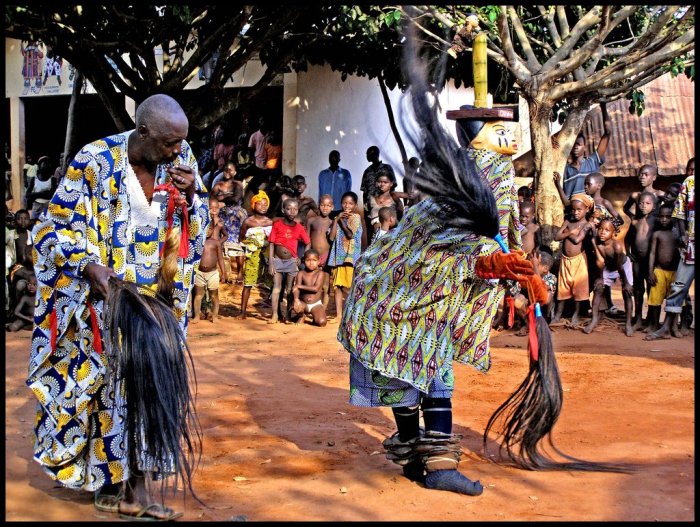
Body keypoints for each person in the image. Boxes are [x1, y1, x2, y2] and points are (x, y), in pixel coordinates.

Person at [338, 30, 554, 496]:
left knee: (405, 365)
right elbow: (469, 247)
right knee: (430, 369)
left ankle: (416, 456)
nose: (512, 132)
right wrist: (502, 269)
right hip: (410, 291)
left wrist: (510, 267)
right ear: (491, 133)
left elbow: (476, 238)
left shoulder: (465, 171)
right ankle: (436, 465)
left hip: (391, 289)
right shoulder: (489, 172)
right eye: (505, 125)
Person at [27, 93, 209, 520]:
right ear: (143, 132)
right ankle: (122, 486)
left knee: (152, 391)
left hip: (161, 308)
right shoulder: (94, 161)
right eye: (169, 143)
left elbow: (196, 232)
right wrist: (90, 267)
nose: (177, 152)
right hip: (107, 307)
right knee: (112, 393)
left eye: (181, 143)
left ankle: (133, 487)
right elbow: (51, 232)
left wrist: (193, 198)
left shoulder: (182, 163)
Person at [646, 158, 695, 340]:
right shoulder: (689, 184)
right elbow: (680, 213)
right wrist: (683, 235)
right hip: (691, 246)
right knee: (679, 285)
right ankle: (666, 327)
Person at [584, 218, 634, 336]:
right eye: (600, 229)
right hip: (606, 266)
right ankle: (594, 320)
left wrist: (626, 283)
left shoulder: (616, 246)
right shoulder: (595, 241)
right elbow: (600, 261)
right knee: (598, 288)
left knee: (626, 292)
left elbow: (619, 267)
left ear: (613, 233)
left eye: (607, 230)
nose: (602, 232)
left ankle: (628, 324)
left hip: (622, 266)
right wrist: (600, 278)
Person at [551, 193, 595, 327]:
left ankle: (576, 315)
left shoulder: (586, 225)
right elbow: (557, 237)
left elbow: (577, 240)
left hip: (579, 261)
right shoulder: (568, 222)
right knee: (563, 288)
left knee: (578, 289)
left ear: (587, 209)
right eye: (573, 209)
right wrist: (570, 231)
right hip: (565, 260)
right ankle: (558, 314)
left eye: (579, 210)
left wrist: (567, 233)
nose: (575, 212)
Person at [268, 198, 310, 323]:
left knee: (290, 289)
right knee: (277, 288)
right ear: (283, 210)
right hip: (278, 261)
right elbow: (271, 244)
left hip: (291, 262)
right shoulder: (277, 224)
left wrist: (301, 258)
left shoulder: (299, 228)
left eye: (295, 209)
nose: (292, 212)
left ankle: (287, 314)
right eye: (288, 209)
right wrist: (271, 262)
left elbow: (307, 243)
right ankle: (275, 314)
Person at [557, 103, 610, 201]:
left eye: (578, 144)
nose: (575, 147)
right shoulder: (564, 169)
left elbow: (607, 133)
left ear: (585, 147)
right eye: (573, 145)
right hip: (571, 213)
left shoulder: (592, 162)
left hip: (589, 212)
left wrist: (603, 106)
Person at [645, 203, 681, 334]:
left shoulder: (678, 235)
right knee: (655, 301)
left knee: (675, 301)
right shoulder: (657, 234)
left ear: (674, 217)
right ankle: (654, 325)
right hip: (659, 271)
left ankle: (673, 326)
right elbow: (652, 253)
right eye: (662, 216)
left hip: (676, 273)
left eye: (668, 216)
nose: (664, 219)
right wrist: (650, 272)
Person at [624, 192, 657, 330]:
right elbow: (627, 239)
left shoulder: (656, 221)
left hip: (651, 262)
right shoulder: (635, 221)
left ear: (654, 207)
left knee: (651, 290)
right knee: (638, 290)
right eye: (641, 203)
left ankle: (651, 320)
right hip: (637, 260)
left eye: (648, 203)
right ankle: (638, 319)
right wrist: (628, 253)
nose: (644, 206)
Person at [239, 190, 274, 320]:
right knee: (248, 283)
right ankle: (242, 311)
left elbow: (272, 240)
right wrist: (250, 245)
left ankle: (273, 311)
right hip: (251, 257)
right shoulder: (248, 222)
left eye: (265, 204)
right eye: (260, 204)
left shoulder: (269, 222)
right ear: (254, 205)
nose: (263, 206)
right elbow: (241, 238)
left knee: (271, 282)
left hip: (265, 256)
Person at [328, 191, 362, 322]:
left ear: (354, 205)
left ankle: (353, 313)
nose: (347, 205)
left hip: (350, 258)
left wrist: (340, 221)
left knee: (349, 287)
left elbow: (349, 235)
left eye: (350, 203)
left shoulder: (356, 217)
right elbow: (331, 238)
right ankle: (338, 315)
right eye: (344, 203)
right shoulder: (337, 217)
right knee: (338, 286)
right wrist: (336, 220)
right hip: (338, 257)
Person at [191, 220, 227, 323]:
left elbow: (220, 258)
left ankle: (215, 316)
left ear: (213, 230)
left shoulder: (216, 243)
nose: (207, 231)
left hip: (213, 273)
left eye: (210, 229)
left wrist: (223, 273)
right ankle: (197, 316)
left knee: (214, 295)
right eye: (205, 228)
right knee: (198, 295)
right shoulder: (197, 242)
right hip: (199, 272)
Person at [218, 174, 249, 284]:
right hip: (226, 214)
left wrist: (225, 196)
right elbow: (219, 198)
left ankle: (240, 272)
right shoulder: (224, 184)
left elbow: (235, 198)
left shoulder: (238, 185)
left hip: (236, 214)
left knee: (239, 250)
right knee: (225, 250)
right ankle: (227, 274)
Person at [306, 194, 334, 311]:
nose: (325, 208)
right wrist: (306, 254)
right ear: (318, 206)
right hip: (313, 256)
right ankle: (310, 306)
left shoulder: (333, 223)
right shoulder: (311, 221)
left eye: (328, 205)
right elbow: (307, 239)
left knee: (326, 285)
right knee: (311, 283)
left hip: (326, 256)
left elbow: (333, 241)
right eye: (322, 205)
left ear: (332, 207)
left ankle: (323, 308)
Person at [291, 249, 328, 327]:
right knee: (297, 304)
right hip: (303, 303)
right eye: (308, 260)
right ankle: (301, 316)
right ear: (304, 261)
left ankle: (315, 316)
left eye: (314, 260)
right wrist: (296, 299)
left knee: (322, 322)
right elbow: (296, 289)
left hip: (315, 304)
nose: (311, 263)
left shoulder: (320, 273)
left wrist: (298, 286)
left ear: (318, 261)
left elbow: (316, 289)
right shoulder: (301, 273)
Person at [360, 145, 396, 223]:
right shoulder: (367, 171)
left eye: (368, 153)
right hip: (371, 207)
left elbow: (393, 187)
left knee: (388, 228)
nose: (367, 155)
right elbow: (365, 192)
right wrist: (365, 208)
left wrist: (394, 203)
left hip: (387, 205)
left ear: (376, 154)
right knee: (373, 231)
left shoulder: (387, 168)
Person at [367, 169, 404, 239]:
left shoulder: (395, 200)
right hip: (375, 237)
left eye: (385, 182)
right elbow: (368, 220)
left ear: (391, 184)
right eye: (379, 182)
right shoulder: (371, 199)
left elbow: (401, 219)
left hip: (392, 238)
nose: (382, 184)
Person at [318, 150, 352, 214]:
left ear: (339, 159)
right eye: (331, 157)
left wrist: (347, 207)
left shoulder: (346, 173)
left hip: (340, 208)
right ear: (328, 159)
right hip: (326, 208)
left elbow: (348, 191)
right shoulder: (322, 174)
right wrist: (319, 206)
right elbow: (320, 192)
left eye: (335, 157)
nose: (333, 159)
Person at [26, 155, 58, 219]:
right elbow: (27, 195)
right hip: (37, 206)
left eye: (47, 163)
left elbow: (51, 195)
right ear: (39, 166)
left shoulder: (52, 179)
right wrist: (43, 193)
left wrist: (35, 195)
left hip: (48, 206)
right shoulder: (34, 179)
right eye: (44, 163)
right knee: (34, 225)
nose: (46, 165)